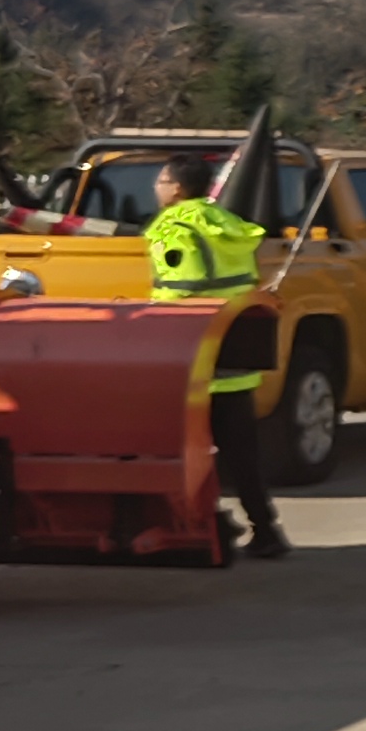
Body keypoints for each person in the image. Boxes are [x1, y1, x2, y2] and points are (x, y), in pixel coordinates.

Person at [144, 148, 287, 561]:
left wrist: (147, 321)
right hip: (236, 353)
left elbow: (180, 290)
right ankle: (265, 529)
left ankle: (209, 527)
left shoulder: (173, 228)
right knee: (242, 453)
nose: (156, 187)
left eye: (161, 180)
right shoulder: (227, 223)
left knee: (183, 451)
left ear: (177, 189)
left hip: (195, 357)